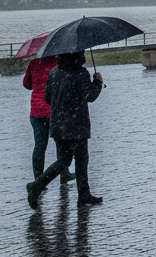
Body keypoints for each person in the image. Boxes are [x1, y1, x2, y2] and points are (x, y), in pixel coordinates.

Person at [26, 51, 104, 208]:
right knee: (81, 159)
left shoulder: (54, 72)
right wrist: (97, 82)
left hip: (59, 124)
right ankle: (83, 194)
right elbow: (89, 96)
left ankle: (38, 185)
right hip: (77, 125)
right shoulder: (81, 73)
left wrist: (62, 104)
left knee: (64, 160)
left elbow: (48, 98)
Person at [22, 54, 74, 186]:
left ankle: (38, 179)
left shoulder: (34, 63)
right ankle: (64, 173)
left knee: (40, 145)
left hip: (36, 111)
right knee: (61, 143)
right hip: (54, 110)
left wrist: (38, 84)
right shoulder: (58, 63)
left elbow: (26, 84)